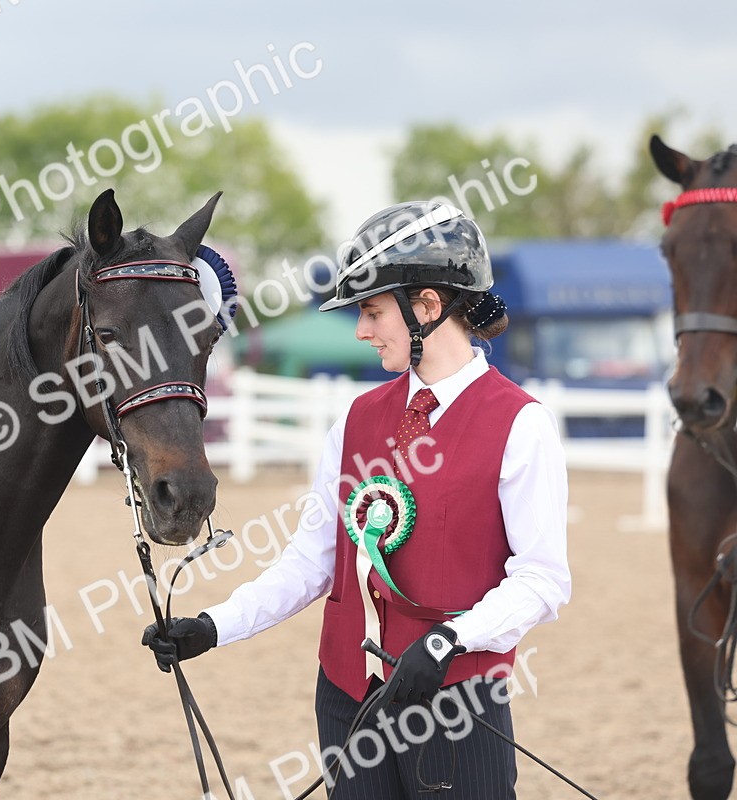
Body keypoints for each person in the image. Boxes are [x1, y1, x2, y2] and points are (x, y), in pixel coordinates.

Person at [142, 201, 571, 798]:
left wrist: (453, 638)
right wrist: (215, 626)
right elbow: (316, 562)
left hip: (456, 702)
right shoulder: (356, 419)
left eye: (372, 313)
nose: (363, 332)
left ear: (428, 306)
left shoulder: (521, 425)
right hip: (348, 699)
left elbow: (544, 578)